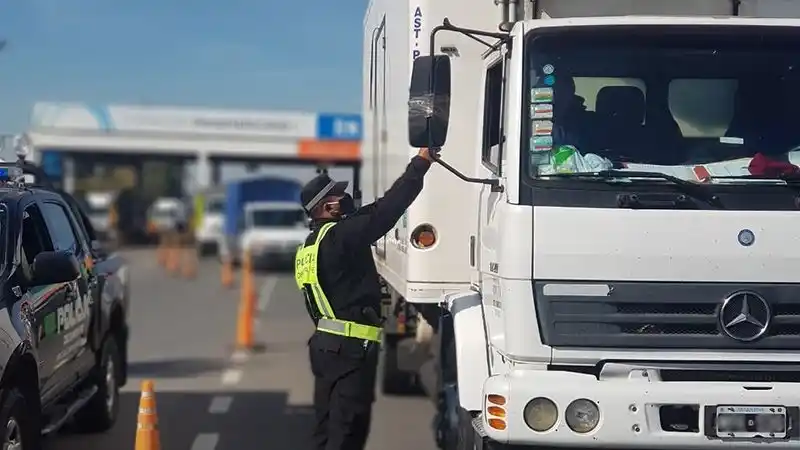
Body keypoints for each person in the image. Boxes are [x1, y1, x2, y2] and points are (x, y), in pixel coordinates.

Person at [295, 147, 434, 450]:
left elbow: (368, 213)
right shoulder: (341, 237)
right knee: (347, 432)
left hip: (326, 346)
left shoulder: (311, 245)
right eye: (338, 196)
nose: (344, 201)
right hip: (350, 350)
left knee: (327, 429)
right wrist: (420, 164)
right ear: (326, 206)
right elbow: (387, 210)